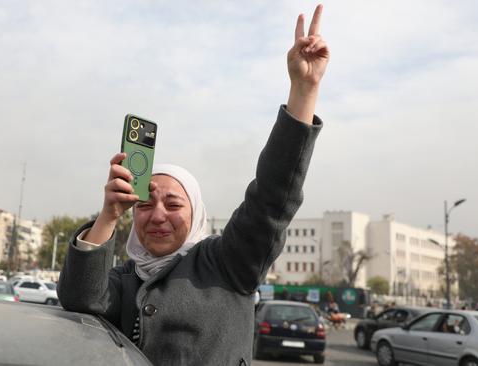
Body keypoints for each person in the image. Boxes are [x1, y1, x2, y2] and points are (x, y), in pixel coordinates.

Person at [58, 5, 328, 365]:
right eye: (144, 204)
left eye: (173, 205)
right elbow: (79, 298)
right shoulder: (125, 277)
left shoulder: (228, 263)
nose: (157, 216)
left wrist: (304, 90)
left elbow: (272, 196)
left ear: (196, 213)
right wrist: (108, 216)